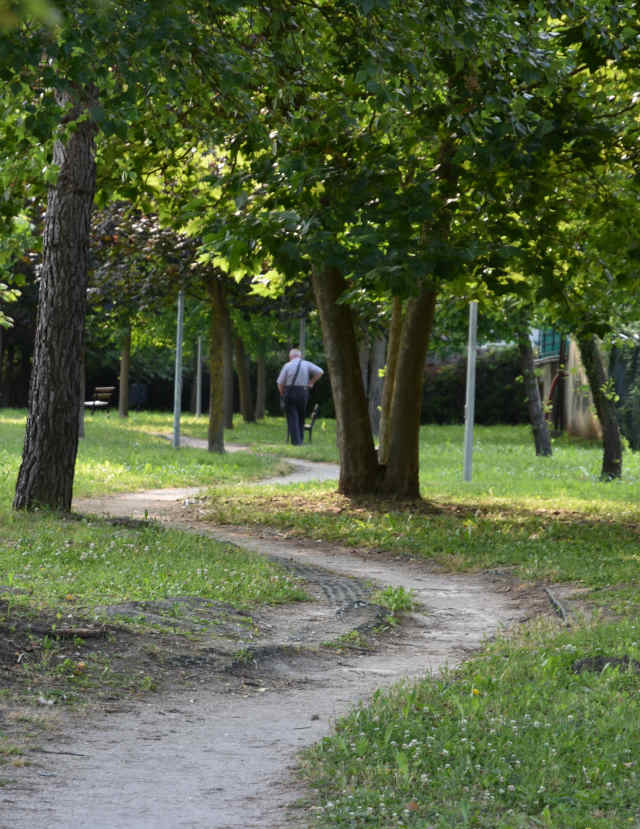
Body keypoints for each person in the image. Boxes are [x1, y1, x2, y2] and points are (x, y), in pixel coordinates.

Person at [277, 348, 323, 445]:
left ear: (290, 356)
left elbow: (280, 383)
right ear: (300, 356)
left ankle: (296, 443)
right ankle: (300, 440)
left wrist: (282, 394)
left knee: (292, 417)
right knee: (301, 416)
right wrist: (311, 382)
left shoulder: (287, 365)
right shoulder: (306, 364)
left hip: (290, 392)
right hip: (303, 393)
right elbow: (320, 371)